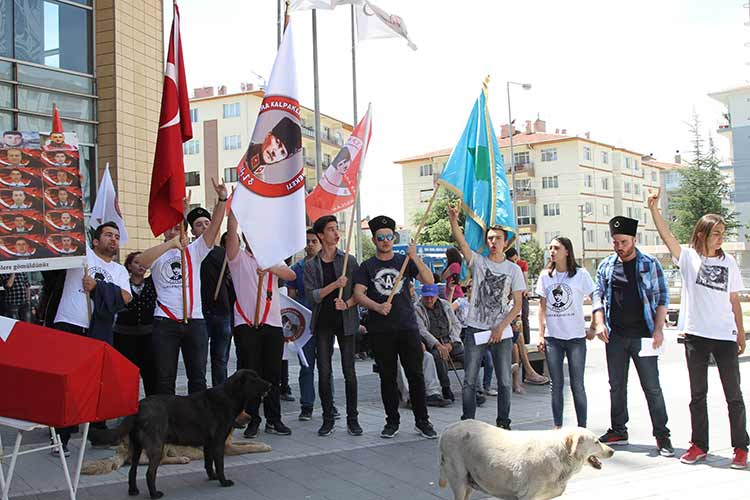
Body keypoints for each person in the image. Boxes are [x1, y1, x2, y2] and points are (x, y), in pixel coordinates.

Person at [648, 189, 748, 468]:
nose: (721, 237)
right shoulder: (689, 258)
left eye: (723, 232)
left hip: (724, 336)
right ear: (703, 234)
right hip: (696, 335)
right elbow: (667, 237)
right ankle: (699, 445)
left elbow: (734, 300)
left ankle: (741, 447)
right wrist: (654, 209)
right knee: (697, 395)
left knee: (734, 395)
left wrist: (740, 332)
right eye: (716, 232)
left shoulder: (729, 262)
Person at [592, 215, 673, 457]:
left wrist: (658, 330)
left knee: (652, 387)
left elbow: (662, 298)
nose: (619, 247)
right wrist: (598, 323)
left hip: (644, 336)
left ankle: (662, 435)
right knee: (616, 386)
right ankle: (618, 429)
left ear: (634, 240)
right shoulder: (606, 265)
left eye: (624, 242)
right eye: (615, 242)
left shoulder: (650, 263)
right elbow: (597, 296)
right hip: (615, 336)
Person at [138, 178, 228, 395]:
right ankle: (167, 423)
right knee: (165, 377)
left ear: (185, 231)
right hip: (165, 322)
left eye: (177, 228)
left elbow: (214, 227)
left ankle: (195, 424)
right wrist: (170, 243)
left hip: (194, 321)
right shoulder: (159, 252)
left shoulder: (195, 251)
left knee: (197, 377)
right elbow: (141, 262)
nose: (174, 231)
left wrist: (222, 200)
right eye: (169, 228)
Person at [353, 215, 438, 439]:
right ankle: (392, 421)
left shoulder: (404, 261)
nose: (385, 240)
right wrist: (377, 307)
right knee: (387, 377)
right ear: (374, 240)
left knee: (416, 375)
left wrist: (414, 256)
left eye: (389, 236)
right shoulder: (367, 266)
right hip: (381, 330)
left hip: (407, 327)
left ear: (394, 237)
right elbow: (358, 294)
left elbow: (429, 280)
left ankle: (423, 421)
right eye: (380, 237)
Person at [52, 222, 132, 455]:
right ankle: (61, 438)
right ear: (95, 241)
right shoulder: (83, 254)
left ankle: (98, 433)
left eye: (116, 236)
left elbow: (126, 297)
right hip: (71, 324)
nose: (113, 239)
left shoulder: (119, 271)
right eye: (108, 235)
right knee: (66, 384)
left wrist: (98, 287)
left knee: (97, 384)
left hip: (99, 330)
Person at [448, 204, 525, 429]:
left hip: (501, 331)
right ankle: (468, 422)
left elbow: (518, 303)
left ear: (505, 241)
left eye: (497, 238)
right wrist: (454, 220)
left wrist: (501, 327)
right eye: (490, 238)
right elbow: (462, 245)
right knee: (469, 380)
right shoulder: (479, 262)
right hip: (475, 328)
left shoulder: (513, 270)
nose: (493, 242)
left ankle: (504, 422)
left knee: (503, 381)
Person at [225, 210, 296, 438]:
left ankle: (274, 419)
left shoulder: (271, 258)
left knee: (272, 374)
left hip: (272, 323)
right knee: (250, 374)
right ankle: (252, 418)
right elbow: (231, 235)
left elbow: (291, 274)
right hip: (246, 324)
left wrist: (269, 267)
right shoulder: (237, 258)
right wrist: (234, 211)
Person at [304, 215, 361, 436]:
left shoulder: (349, 260)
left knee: (350, 372)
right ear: (320, 235)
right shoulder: (311, 265)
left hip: (345, 321)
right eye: (330, 230)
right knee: (324, 372)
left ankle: (353, 419)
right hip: (323, 323)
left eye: (337, 229)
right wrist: (335, 285)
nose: (336, 234)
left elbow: (359, 293)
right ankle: (328, 418)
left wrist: (346, 302)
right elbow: (313, 296)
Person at [536, 237, 596, 429]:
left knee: (577, 385)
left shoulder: (581, 274)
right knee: (556, 385)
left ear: (567, 251)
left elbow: (596, 297)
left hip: (576, 337)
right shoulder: (546, 276)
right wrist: (540, 334)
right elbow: (542, 307)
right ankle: (558, 427)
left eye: (556, 248)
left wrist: (594, 324)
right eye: (550, 248)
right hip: (553, 338)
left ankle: (582, 428)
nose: (552, 251)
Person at [288, 228, 324, 421]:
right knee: (306, 365)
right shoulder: (296, 269)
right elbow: (292, 299)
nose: (310, 245)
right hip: (305, 324)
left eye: (314, 241)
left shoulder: (326, 265)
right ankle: (307, 405)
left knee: (326, 367)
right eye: (307, 241)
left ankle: (329, 404)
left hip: (324, 321)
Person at [113, 252, 158, 397]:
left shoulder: (153, 283)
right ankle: (128, 410)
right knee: (127, 376)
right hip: (124, 337)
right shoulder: (121, 282)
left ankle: (152, 408)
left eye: (143, 262)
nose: (141, 265)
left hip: (148, 337)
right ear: (129, 266)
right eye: (137, 262)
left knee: (151, 375)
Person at [199, 214, 236, 388]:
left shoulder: (225, 253)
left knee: (220, 359)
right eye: (199, 224)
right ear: (192, 230)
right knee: (198, 359)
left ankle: (219, 394)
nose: (205, 227)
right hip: (199, 314)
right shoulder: (191, 253)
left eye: (208, 223)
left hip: (223, 312)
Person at [506, 247, 549, 389]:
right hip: (498, 333)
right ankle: (524, 375)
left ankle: (522, 378)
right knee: (516, 340)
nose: (515, 262)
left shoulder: (519, 266)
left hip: (508, 329)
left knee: (518, 336)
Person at [415, 283, 464, 402]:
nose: (429, 299)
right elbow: (422, 331)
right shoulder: (417, 308)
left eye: (432, 296)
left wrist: (451, 343)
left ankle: (473, 389)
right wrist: (438, 345)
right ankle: (446, 387)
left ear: (437, 295)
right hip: (433, 343)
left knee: (469, 357)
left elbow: (456, 324)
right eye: (426, 296)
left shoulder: (445, 305)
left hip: (450, 341)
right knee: (438, 356)